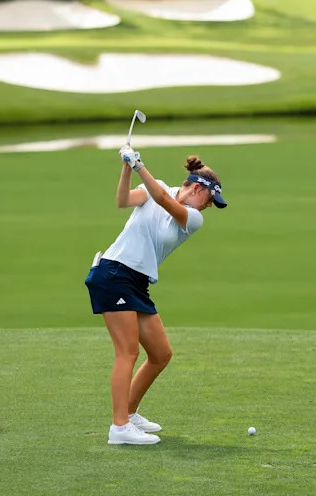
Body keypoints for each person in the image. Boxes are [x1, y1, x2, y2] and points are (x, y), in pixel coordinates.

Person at [84, 146, 227, 445]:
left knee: (161, 354)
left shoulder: (192, 217)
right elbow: (123, 200)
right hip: (113, 274)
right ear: (200, 190)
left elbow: (162, 200)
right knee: (128, 352)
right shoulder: (156, 186)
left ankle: (130, 413)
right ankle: (119, 428)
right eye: (211, 201)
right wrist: (127, 167)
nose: (209, 207)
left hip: (136, 282)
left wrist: (138, 165)